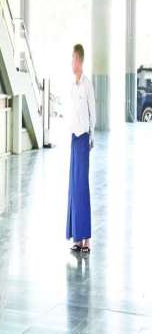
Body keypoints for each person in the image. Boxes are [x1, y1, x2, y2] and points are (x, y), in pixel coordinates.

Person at [67, 43, 95, 253]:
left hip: (84, 138)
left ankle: (86, 239)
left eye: (74, 59)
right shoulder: (72, 85)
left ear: (80, 60)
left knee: (82, 187)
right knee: (73, 187)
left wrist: (91, 137)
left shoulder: (87, 85)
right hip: (74, 138)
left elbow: (92, 112)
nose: (72, 63)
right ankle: (76, 238)